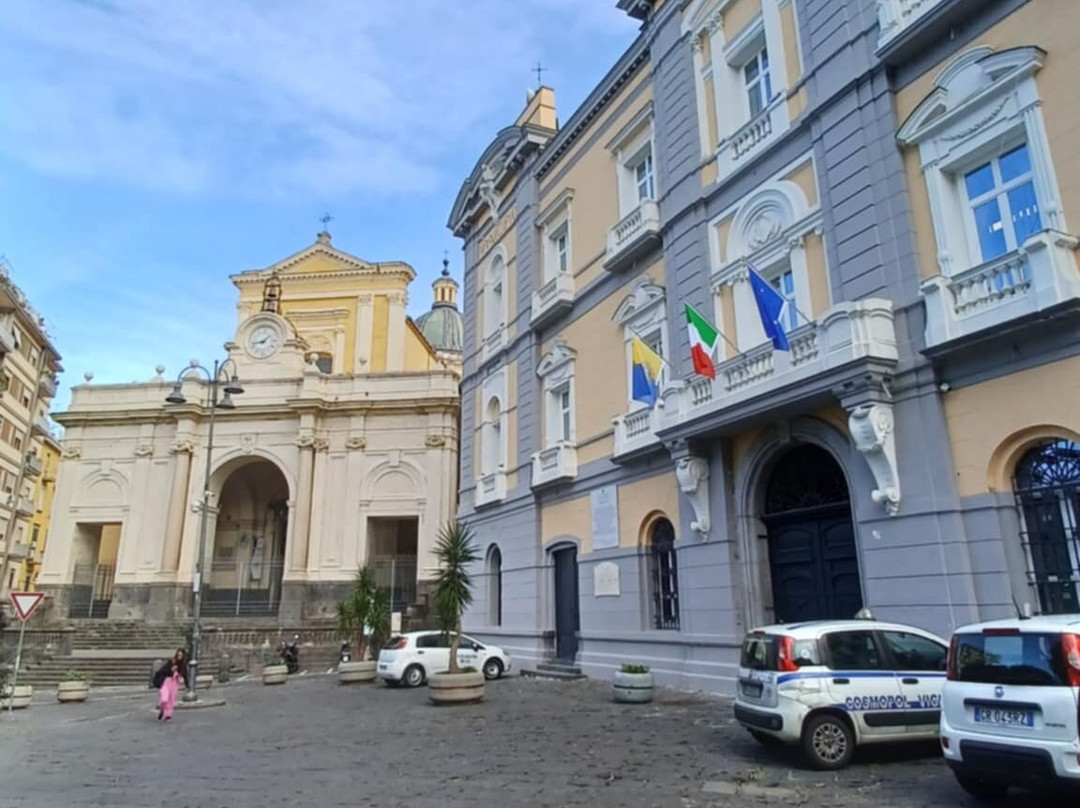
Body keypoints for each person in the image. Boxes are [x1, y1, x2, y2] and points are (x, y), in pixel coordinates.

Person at [154, 649, 188, 721]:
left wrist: (187, 685)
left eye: (181, 655)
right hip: (167, 682)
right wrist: (170, 670)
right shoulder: (171, 661)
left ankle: (168, 715)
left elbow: (185, 675)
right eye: (178, 655)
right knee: (164, 698)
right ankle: (162, 709)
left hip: (175, 683)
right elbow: (162, 671)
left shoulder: (183, 665)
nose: (179, 657)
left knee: (171, 699)